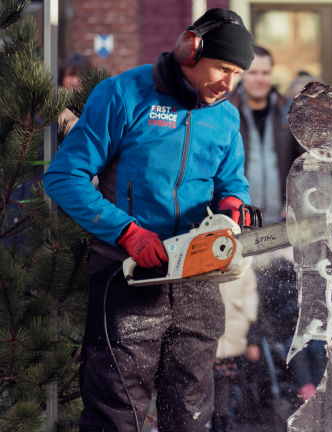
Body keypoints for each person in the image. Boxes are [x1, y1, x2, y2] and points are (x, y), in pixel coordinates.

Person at [44, 8, 256, 430]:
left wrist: (235, 205)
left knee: (193, 414)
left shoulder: (227, 117)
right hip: (127, 274)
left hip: (196, 276)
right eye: (222, 69)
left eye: (237, 74)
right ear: (189, 50)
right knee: (116, 415)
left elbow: (232, 181)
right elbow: (64, 176)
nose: (228, 84)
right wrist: (127, 231)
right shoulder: (123, 94)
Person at [228, 45, 303, 225]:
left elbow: (305, 162)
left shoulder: (291, 111)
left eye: (265, 72)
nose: (260, 79)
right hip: (240, 221)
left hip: (283, 220)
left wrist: (297, 201)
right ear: (241, 74)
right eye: (253, 73)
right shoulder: (226, 111)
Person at [212, 271, 258, 432]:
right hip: (208, 337)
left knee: (222, 390)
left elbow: (251, 305)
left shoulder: (244, 269)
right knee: (200, 387)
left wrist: (252, 341)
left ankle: (220, 425)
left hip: (233, 336)